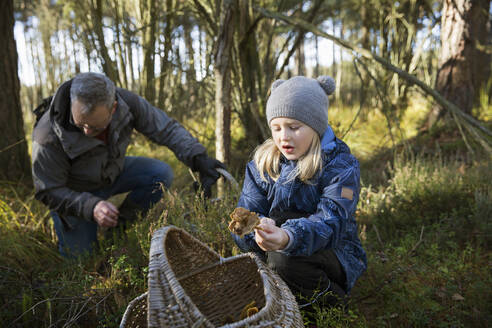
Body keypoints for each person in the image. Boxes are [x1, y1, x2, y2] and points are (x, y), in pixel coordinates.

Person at [32, 72, 225, 257]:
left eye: (96, 127)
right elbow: (48, 190)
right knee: (82, 261)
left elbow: (165, 128)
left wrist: (197, 157)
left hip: (112, 173)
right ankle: (84, 228)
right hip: (73, 195)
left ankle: (117, 227)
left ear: (113, 108)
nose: (87, 132)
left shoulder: (127, 103)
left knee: (160, 173)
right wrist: (91, 207)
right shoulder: (46, 134)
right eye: (80, 124)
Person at [232, 75, 367, 312]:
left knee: (284, 258)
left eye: (294, 127)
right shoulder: (261, 165)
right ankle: (286, 305)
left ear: (316, 126)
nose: (284, 136)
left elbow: (332, 220)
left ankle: (331, 308)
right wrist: (256, 231)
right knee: (270, 262)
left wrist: (288, 237)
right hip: (277, 250)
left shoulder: (341, 167)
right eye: (276, 128)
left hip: (334, 252)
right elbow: (245, 216)